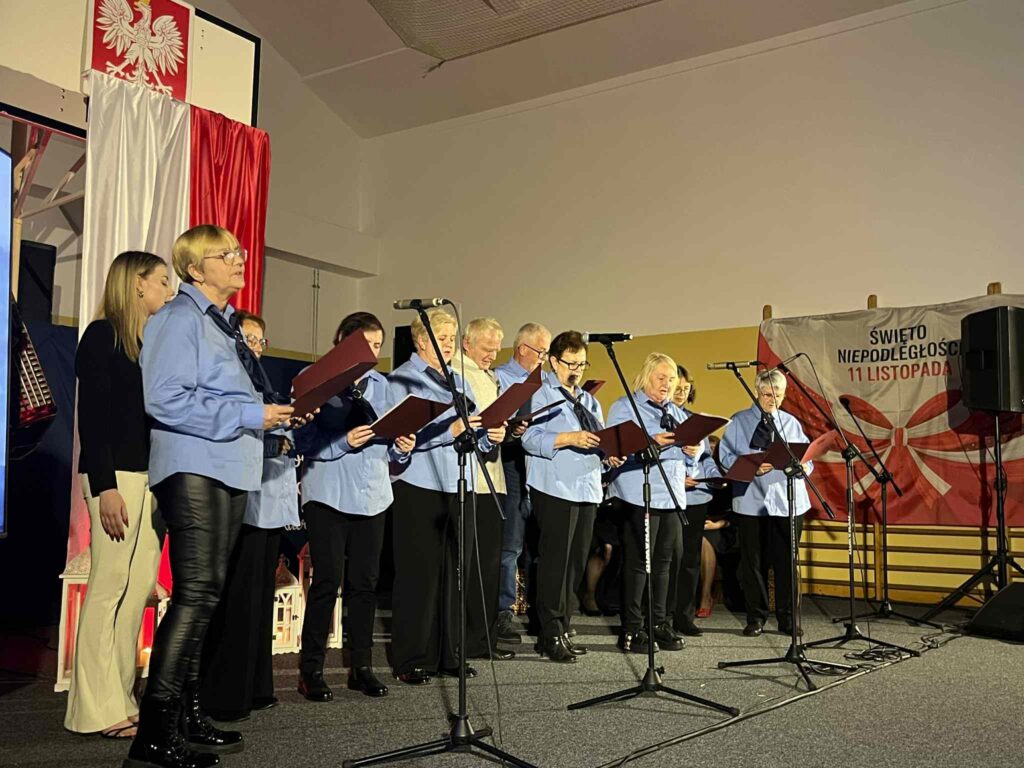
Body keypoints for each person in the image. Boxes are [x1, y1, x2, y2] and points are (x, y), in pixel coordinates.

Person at [128, 225, 296, 768]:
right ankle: (153, 733)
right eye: (226, 254)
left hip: (229, 468)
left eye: (239, 251)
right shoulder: (178, 318)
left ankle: (188, 715)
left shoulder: (223, 325)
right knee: (196, 594)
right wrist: (251, 414)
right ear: (195, 269)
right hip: (193, 467)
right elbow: (164, 400)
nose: (239, 259)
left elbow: (231, 398)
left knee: (207, 596)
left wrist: (275, 416)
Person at [65, 251, 173, 738]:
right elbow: (93, 418)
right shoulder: (101, 335)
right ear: (137, 284)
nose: (168, 289)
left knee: (137, 590)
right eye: (162, 280)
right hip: (115, 477)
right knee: (108, 586)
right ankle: (93, 708)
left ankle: (122, 696)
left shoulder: (149, 343)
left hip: (150, 477)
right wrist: (105, 486)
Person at [295, 312, 414, 701]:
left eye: (378, 346)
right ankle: (311, 669)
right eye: (366, 345)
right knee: (327, 582)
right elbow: (302, 442)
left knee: (365, 584)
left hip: (372, 495)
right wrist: (344, 442)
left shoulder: (384, 385)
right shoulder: (316, 378)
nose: (373, 354)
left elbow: (394, 454)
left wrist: (403, 448)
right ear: (343, 342)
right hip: (327, 493)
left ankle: (361, 667)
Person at [388, 308, 505, 684]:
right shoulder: (402, 379)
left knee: (456, 574)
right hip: (419, 486)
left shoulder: (457, 380)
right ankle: (412, 658)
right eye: (442, 338)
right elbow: (400, 439)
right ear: (421, 341)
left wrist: (490, 435)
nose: (449, 345)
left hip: (459, 483)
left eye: (452, 338)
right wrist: (448, 431)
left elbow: (473, 430)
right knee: (420, 577)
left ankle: (449, 654)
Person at [197, 311, 298, 721]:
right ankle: (226, 694)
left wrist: (293, 422)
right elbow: (226, 429)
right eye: (248, 340)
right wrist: (272, 442)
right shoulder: (226, 377)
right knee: (237, 599)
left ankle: (257, 685)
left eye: (260, 342)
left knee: (260, 598)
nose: (255, 348)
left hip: (270, 501)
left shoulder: (261, 379)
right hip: (241, 500)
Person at [522, 331, 619, 662]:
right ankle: (548, 633)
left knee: (576, 563)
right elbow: (529, 438)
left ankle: (563, 627)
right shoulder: (539, 393)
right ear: (553, 361)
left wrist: (610, 455)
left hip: (587, 487)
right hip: (555, 486)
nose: (576, 370)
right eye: (570, 363)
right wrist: (568, 438)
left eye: (581, 364)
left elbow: (599, 440)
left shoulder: (589, 401)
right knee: (555, 562)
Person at [606, 353, 691, 653]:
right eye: (661, 378)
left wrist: (694, 449)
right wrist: (652, 440)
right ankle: (631, 629)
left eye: (671, 379)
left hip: (672, 496)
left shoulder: (677, 413)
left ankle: (658, 623)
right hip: (637, 494)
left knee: (664, 563)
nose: (666, 384)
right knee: (638, 564)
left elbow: (692, 458)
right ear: (646, 377)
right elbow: (615, 447)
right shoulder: (625, 407)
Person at [719, 369, 813, 637]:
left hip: (787, 501)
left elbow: (808, 459)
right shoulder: (738, 421)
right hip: (751, 501)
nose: (773, 400)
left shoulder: (791, 423)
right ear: (756, 392)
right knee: (754, 564)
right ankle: (756, 617)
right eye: (767, 395)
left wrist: (802, 467)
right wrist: (751, 466)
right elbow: (725, 459)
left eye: (778, 395)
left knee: (786, 562)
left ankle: (788, 618)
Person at [451, 317, 514, 661]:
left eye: (496, 349)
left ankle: (483, 639)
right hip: (469, 480)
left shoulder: (490, 375)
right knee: (469, 566)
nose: (492, 355)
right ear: (467, 343)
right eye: (486, 348)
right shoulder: (456, 372)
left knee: (488, 565)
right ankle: (463, 640)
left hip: (494, 478)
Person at [493, 322, 551, 643]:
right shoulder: (500, 377)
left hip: (539, 465)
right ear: (522, 349)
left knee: (540, 544)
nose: (543, 359)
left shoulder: (545, 382)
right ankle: (502, 611)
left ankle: (539, 612)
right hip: (511, 462)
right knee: (511, 544)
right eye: (540, 352)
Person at [669, 365, 724, 637]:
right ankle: (660, 616)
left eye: (685, 388)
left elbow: (705, 459)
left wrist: (714, 477)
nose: (681, 392)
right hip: (669, 498)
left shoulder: (696, 421)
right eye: (676, 387)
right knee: (668, 558)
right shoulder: (661, 420)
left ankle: (684, 616)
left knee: (690, 560)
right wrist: (678, 480)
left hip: (696, 498)